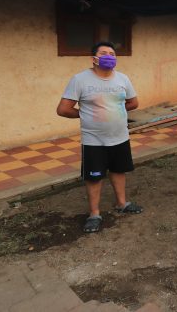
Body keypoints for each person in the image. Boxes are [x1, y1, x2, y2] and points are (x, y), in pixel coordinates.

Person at [57, 41, 143, 233]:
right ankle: (94, 214)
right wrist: (86, 114)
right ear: (93, 58)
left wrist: (114, 111)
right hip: (94, 140)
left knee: (119, 171)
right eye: (104, 53)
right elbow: (63, 109)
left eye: (112, 54)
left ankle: (122, 203)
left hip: (120, 136)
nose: (109, 56)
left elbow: (133, 102)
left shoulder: (123, 79)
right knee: (94, 177)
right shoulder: (80, 80)